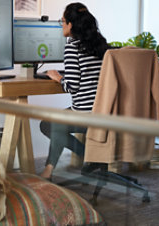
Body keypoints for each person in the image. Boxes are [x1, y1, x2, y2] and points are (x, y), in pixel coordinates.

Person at [39, 2, 114, 180]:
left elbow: (72, 86)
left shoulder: (73, 47)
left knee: (48, 124)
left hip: (85, 113)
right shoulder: (103, 46)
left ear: (71, 25)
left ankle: (51, 169)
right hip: (106, 112)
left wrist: (58, 77)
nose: (61, 25)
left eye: (62, 21)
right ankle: (88, 157)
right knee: (56, 122)